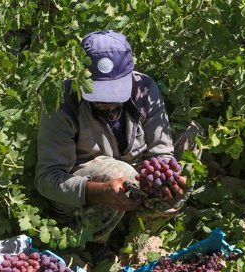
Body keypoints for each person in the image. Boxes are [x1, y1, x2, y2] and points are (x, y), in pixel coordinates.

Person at [35, 30, 193, 243]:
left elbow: (161, 153)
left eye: (113, 91)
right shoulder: (61, 103)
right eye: (98, 92)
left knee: (190, 139)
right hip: (84, 193)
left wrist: (166, 178)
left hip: (131, 181)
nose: (107, 101)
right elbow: (47, 179)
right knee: (122, 173)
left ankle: (138, 221)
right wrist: (99, 192)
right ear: (80, 76)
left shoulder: (144, 90)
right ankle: (90, 239)